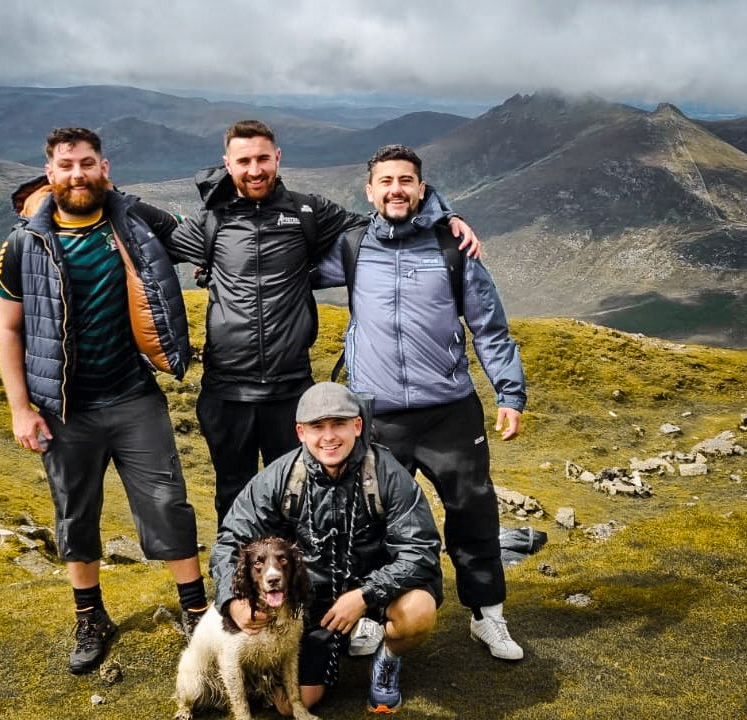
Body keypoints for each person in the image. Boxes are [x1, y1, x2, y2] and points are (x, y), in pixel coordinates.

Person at [162, 119, 480, 526]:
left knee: (299, 492)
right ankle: (238, 582)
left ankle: (298, 582)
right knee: (233, 494)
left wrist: (444, 215)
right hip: (226, 391)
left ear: (277, 157)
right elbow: (155, 242)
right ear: (227, 163)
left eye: (263, 158)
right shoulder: (209, 223)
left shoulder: (307, 211)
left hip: (291, 389)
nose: (255, 169)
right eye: (244, 161)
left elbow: (382, 220)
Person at [0, 127, 207, 674]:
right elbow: (8, 328)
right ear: (50, 172)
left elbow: (201, 238)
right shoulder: (24, 242)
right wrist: (21, 408)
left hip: (135, 396)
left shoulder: (137, 219)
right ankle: (91, 618)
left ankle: (196, 612)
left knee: (167, 503)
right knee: (75, 513)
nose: (77, 174)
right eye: (66, 166)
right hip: (64, 409)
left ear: (104, 168)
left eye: (87, 164)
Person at [312, 144, 528, 661]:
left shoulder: (454, 248)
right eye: (386, 181)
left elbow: (489, 326)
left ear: (422, 188)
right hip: (377, 412)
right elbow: (283, 265)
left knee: (472, 512)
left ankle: (488, 616)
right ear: (369, 191)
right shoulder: (352, 245)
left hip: (449, 409)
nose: (396, 189)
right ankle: (369, 617)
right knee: (368, 521)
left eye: (406, 180)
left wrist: (509, 392)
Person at [210, 382, 443, 714]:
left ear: (357, 426)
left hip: (375, 587)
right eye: (318, 427)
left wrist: (365, 595)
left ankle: (387, 658)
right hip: (310, 600)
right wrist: (232, 603)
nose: (329, 436)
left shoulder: (387, 474)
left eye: (339, 424)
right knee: (292, 706)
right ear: (301, 432)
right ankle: (317, 650)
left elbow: (420, 550)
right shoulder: (281, 477)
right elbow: (230, 542)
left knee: (418, 611)